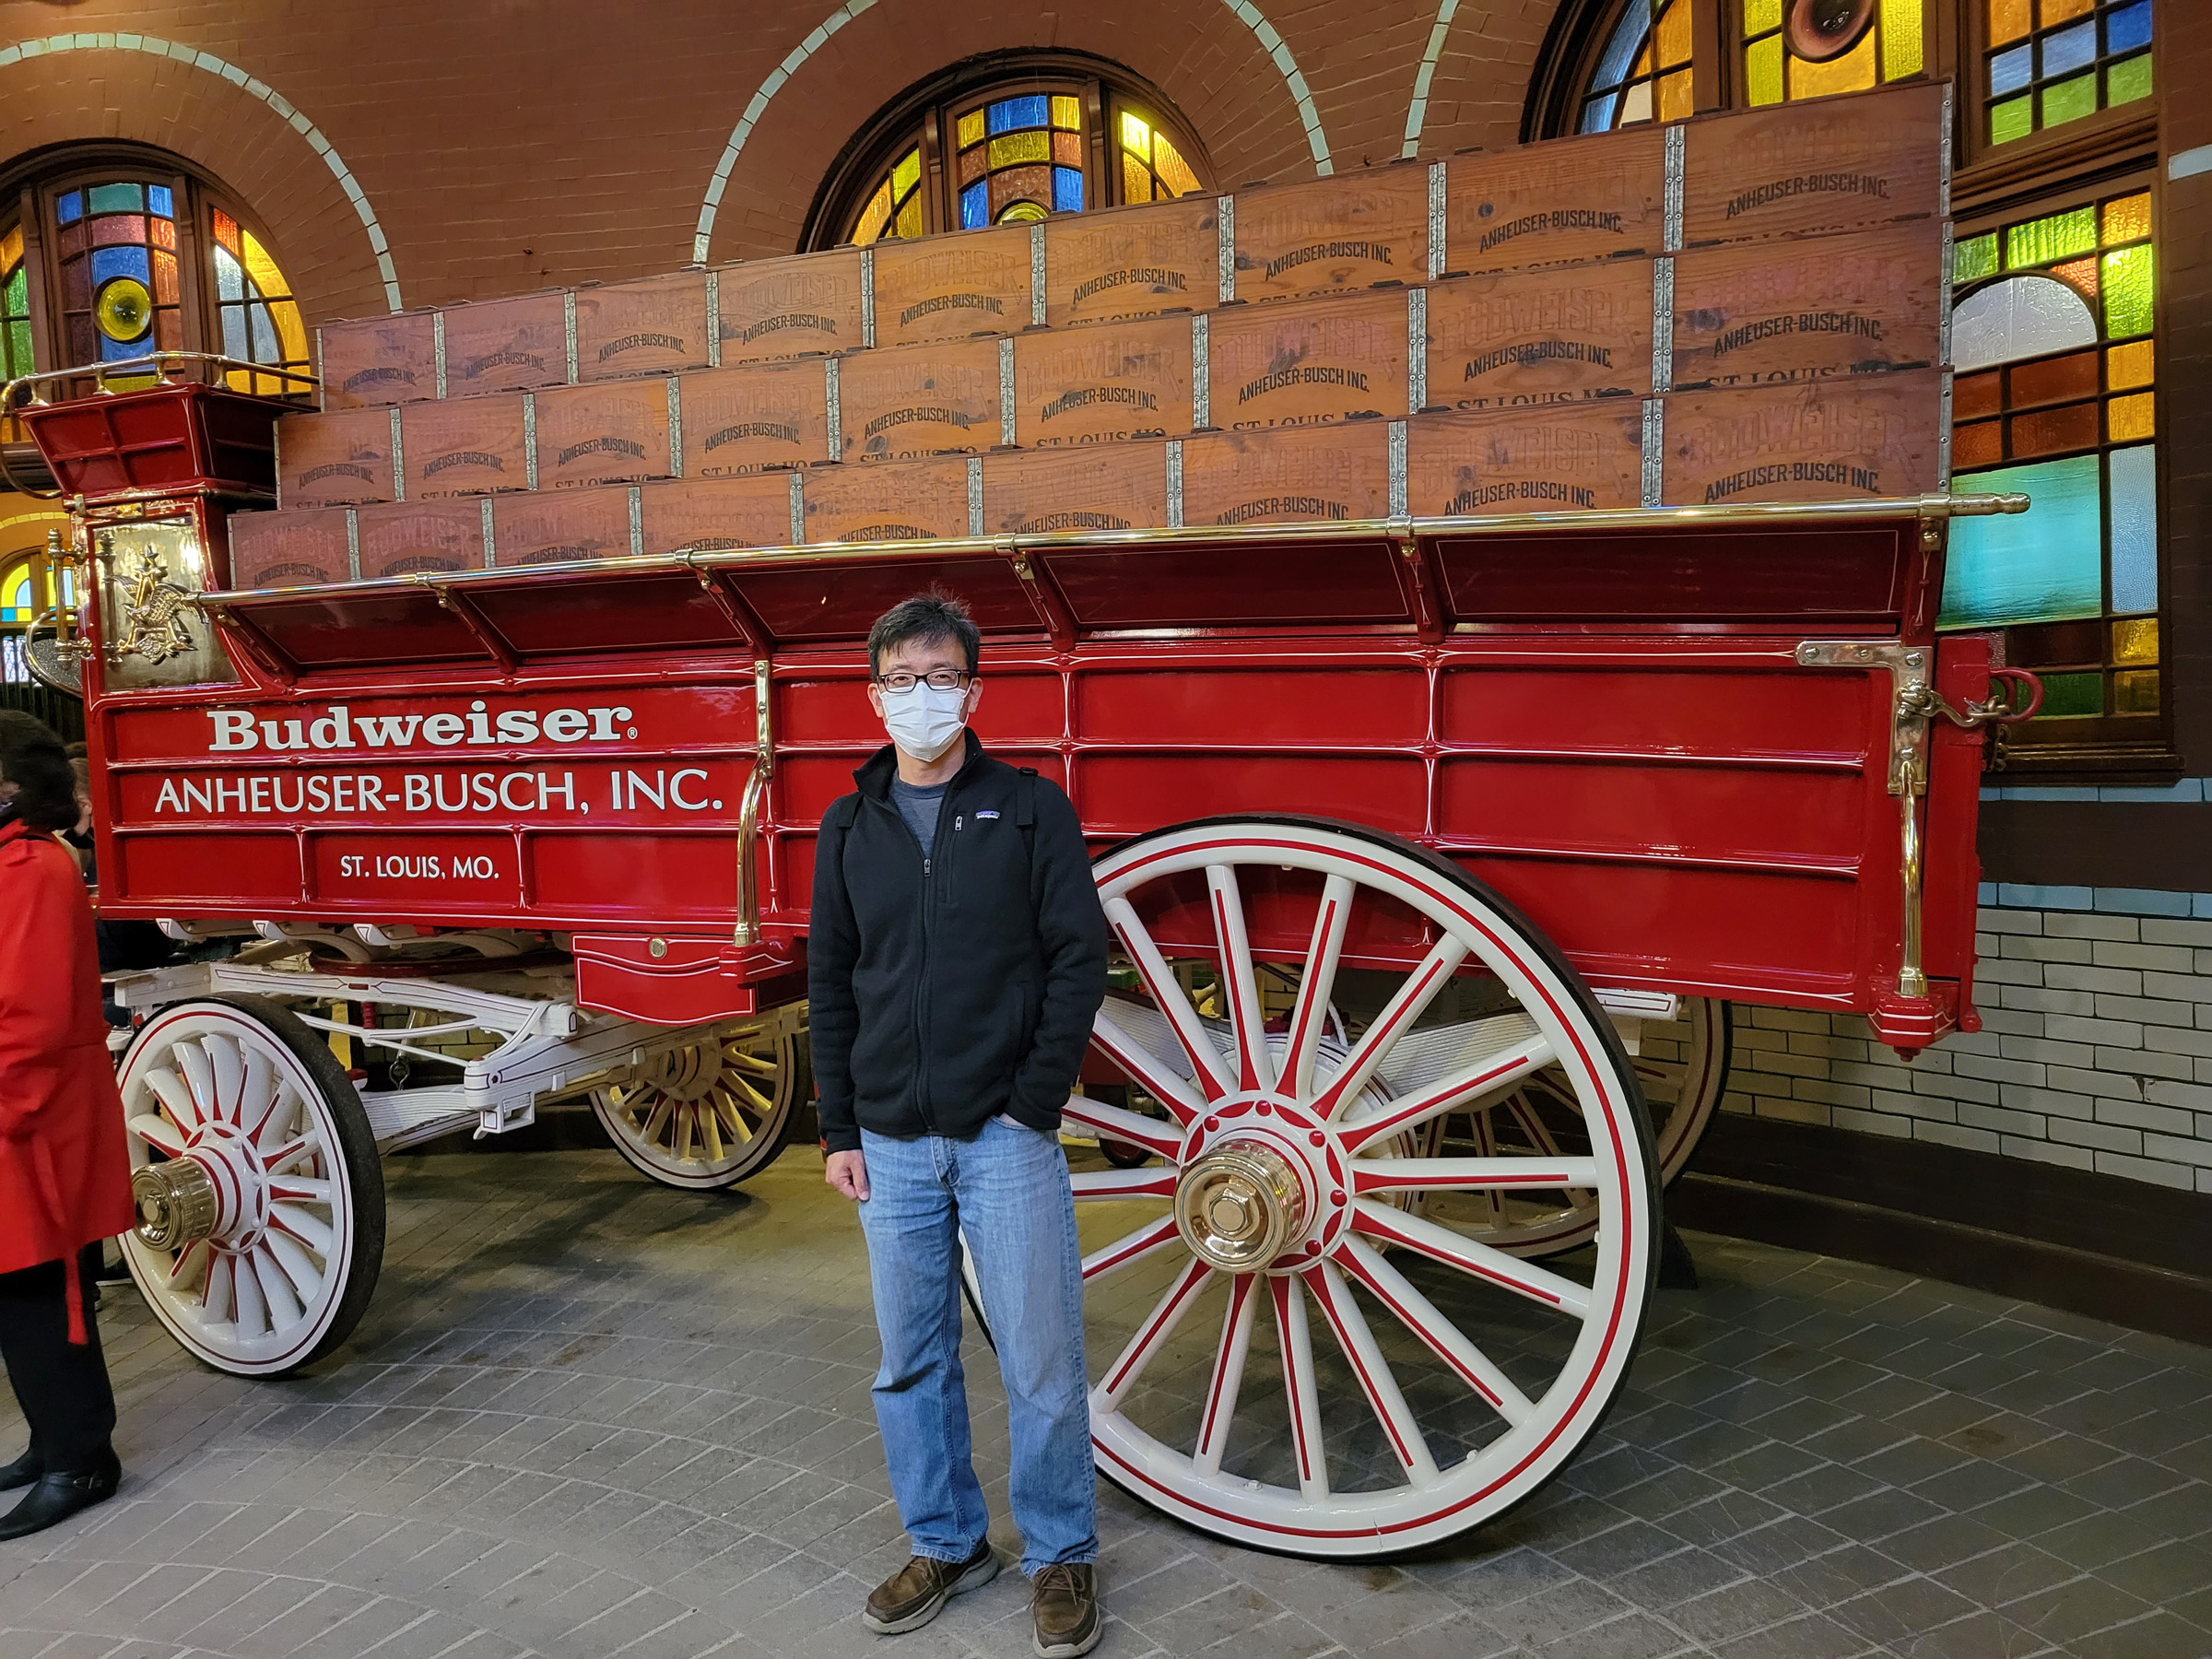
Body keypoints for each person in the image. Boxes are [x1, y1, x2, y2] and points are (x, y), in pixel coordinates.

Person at [809, 594, 1111, 1657]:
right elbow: (832, 982)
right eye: (902, 680)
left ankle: (1061, 1554)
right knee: (910, 1362)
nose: (922, 697)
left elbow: (1079, 959)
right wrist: (838, 1129)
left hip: (1002, 1139)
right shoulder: (850, 826)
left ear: (973, 692)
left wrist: (1033, 1103)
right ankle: (946, 1543)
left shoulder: (1029, 810)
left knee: (1040, 1362)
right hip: (890, 1142)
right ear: (875, 696)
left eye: (940, 678)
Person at [0, 711, 133, 1539]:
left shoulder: (31, 865)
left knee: (40, 1289)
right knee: (18, 1291)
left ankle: (80, 1460)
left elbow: (32, 1017)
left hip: (27, 1113)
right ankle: (52, 1440)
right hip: (19, 1105)